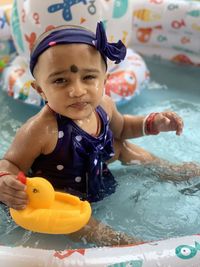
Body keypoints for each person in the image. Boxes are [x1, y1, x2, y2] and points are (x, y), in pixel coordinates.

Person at [0, 22, 199, 246]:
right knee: (79, 222)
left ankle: (166, 169)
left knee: (121, 145)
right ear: (40, 90)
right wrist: (5, 181)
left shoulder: (104, 105)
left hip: (97, 173)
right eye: (60, 80)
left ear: (105, 80)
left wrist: (153, 123)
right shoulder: (40, 130)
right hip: (61, 197)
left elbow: (123, 127)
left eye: (88, 78)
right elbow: (9, 163)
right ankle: (121, 244)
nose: (77, 91)